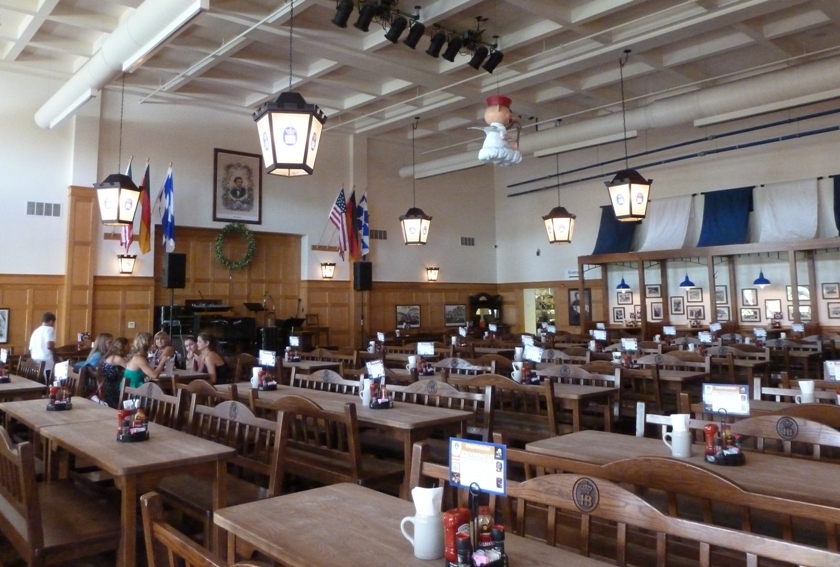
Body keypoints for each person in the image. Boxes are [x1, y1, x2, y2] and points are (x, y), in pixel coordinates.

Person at [96, 337, 129, 408]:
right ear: (122, 347)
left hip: (106, 388)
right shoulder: (117, 358)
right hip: (114, 390)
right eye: (128, 345)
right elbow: (131, 369)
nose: (130, 347)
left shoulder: (110, 356)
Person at [29, 311, 56, 381]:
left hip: (35, 362)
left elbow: (30, 348)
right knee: (49, 383)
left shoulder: (36, 331)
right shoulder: (50, 329)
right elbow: (49, 346)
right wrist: (56, 350)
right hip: (46, 362)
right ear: (51, 321)